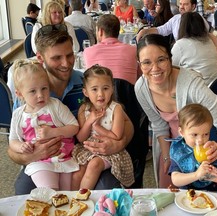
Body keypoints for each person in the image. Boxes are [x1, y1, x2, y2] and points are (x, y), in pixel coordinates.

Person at [7, 25, 134, 194]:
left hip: (83, 155)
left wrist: (118, 144)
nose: (66, 63)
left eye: (69, 55)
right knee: (23, 193)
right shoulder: (28, 91)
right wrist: (30, 156)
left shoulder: (89, 84)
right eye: (57, 58)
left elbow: (128, 124)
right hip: (41, 161)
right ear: (40, 58)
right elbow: (11, 147)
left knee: (106, 191)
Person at [135, 34, 217, 188]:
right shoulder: (141, 88)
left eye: (161, 60)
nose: (155, 68)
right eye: (146, 63)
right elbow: (159, 126)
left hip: (202, 147)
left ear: (170, 58)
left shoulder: (192, 84)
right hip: (174, 152)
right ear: (139, 64)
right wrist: (167, 158)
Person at [9, 59, 79, 190]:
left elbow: (74, 127)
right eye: (33, 91)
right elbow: (12, 140)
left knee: (68, 195)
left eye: (44, 88)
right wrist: (21, 147)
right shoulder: (18, 115)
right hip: (39, 162)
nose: (40, 95)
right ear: (19, 94)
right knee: (51, 192)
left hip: (65, 158)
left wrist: (54, 132)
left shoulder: (55, 105)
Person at [71, 65, 135, 190]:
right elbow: (80, 138)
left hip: (110, 150)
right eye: (94, 89)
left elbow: (117, 136)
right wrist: (89, 121)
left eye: (105, 88)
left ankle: (82, 198)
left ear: (112, 89)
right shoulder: (84, 109)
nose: (100, 94)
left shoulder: (116, 109)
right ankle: (72, 201)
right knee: (77, 173)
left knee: (94, 165)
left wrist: (98, 127)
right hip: (88, 149)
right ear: (86, 92)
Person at [168, 104, 217, 190]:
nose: (201, 140)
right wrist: (196, 175)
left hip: (214, 193)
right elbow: (175, 179)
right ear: (181, 132)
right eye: (194, 135)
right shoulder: (179, 151)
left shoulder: (210, 149)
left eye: (206, 134)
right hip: (188, 195)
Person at [83, 14, 140, 85]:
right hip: (128, 95)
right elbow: (139, 78)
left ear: (100, 31)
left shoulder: (88, 52)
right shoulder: (133, 50)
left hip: (99, 95)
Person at [171, 12, 217, 85]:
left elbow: (170, 69)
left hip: (198, 89)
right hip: (216, 85)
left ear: (182, 26)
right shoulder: (209, 41)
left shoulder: (180, 45)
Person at [136, 0, 210, 41]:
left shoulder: (199, 20)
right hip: (180, 52)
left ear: (193, 6)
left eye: (185, 4)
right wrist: (145, 31)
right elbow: (162, 29)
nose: (181, 7)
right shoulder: (176, 19)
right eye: (180, 4)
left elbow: (208, 37)